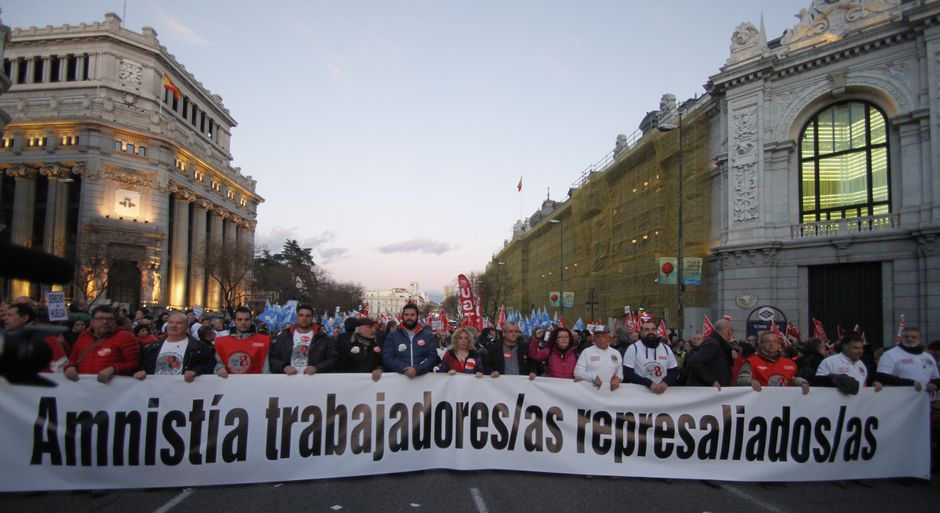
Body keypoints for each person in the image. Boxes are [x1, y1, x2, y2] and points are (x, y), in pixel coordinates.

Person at [64, 304, 140, 383]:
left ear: (115, 321)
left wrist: (114, 368)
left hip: (113, 388)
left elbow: (134, 364)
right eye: (100, 318)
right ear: (92, 321)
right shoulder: (83, 336)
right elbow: (72, 359)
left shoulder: (126, 337)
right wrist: (69, 367)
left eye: (109, 319)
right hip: (83, 388)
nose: (105, 321)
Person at [134, 312, 215, 382]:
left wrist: (195, 371)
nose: (174, 326)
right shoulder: (152, 347)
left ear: (187, 327)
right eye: (171, 322)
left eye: (179, 323)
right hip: (155, 392)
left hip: (184, 392)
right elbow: (141, 364)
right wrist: (139, 371)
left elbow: (210, 365)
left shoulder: (200, 347)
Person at [734, 331, 809, 394]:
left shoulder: (789, 363)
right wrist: (750, 382)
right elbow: (741, 380)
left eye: (775, 341)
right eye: (768, 342)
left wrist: (801, 382)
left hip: (783, 403)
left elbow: (792, 379)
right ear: (761, 344)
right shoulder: (751, 361)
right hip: (758, 403)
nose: (771, 344)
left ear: (778, 344)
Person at [270, 304, 335, 375]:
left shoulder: (323, 338)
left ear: (312, 318)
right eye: (301, 315)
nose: (304, 318)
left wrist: (317, 368)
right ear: (297, 317)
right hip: (288, 380)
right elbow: (273, 357)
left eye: (308, 316)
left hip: (313, 380)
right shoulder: (284, 336)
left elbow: (332, 359)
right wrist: (284, 367)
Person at [4, 302, 68, 373]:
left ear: (24, 318)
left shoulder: (46, 339)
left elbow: (60, 366)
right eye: (5, 315)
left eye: (10, 315)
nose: (5, 318)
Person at [812, 333, 883, 394]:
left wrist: (873, 385)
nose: (860, 351)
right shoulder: (829, 362)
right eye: (855, 348)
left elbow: (863, 385)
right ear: (845, 347)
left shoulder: (861, 364)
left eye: (861, 348)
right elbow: (818, 384)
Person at [383, 303, 439, 378]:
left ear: (417, 316)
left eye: (412, 315)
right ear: (402, 316)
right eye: (406, 315)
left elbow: (432, 357)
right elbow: (388, 357)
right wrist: (405, 369)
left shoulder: (428, 336)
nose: (409, 317)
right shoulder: (392, 336)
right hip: (399, 381)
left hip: (423, 381)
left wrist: (417, 369)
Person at [875, 326, 940, 392]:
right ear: (901, 338)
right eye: (906, 337)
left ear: (920, 339)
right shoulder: (890, 354)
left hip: (923, 399)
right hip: (899, 398)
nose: (909, 339)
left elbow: (936, 377)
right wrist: (911, 383)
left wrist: (935, 384)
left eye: (913, 337)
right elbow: (882, 377)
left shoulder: (928, 357)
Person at [623, 320, 679, 394]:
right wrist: (648, 383)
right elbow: (627, 373)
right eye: (647, 330)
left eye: (653, 329)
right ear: (641, 333)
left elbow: (674, 371)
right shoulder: (633, 348)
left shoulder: (666, 348)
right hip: (640, 393)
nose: (650, 332)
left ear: (656, 331)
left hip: (662, 393)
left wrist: (665, 382)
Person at [214, 306, 272, 377]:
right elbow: (217, 362)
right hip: (229, 384)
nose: (243, 322)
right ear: (234, 321)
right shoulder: (221, 342)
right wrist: (219, 368)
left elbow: (266, 367)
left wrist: (265, 381)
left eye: (246, 319)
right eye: (239, 319)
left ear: (251, 320)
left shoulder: (263, 341)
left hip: (256, 384)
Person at [686, 319, 734, 388]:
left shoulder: (719, 344)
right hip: (706, 391)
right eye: (732, 331)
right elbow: (695, 362)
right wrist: (711, 381)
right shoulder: (713, 344)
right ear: (728, 332)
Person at [574, 324, 623, 391]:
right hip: (590, 393)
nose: (600, 339)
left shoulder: (616, 353)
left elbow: (619, 370)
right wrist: (593, 377)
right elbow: (577, 371)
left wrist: (618, 378)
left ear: (609, 338)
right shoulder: (586, 352)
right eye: (597, 337)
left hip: (610, 394)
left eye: (604, 336)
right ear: (593, 339)